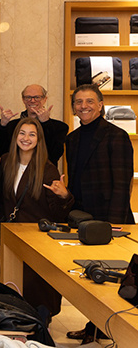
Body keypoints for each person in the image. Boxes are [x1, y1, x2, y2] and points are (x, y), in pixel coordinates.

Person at [64, 84, 134, 344]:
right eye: (79, 102)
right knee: (88, 275)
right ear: (73, 107)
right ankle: (93, 325)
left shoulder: (116, 136)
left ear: (101, 104)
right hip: (82, 217)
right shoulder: (72, 139)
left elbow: (122, 181)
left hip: (109, 217)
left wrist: (114, 223)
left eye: (90, 101)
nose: (84, 106)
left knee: (109, 276)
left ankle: (110, 327)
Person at [0, 117, 74, 321]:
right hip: (11, 234)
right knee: (13, 283)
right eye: (22, 133)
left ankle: (40, 322)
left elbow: (58, 214)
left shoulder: (47, 169)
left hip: (36, 237)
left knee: (36, 286)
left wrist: (64, 195)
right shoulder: (6, 161)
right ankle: (16, 322)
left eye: (32, 134)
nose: (26, 138)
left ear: (39, 140)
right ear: (15, 137)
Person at [0, 84, 68, 165]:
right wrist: (3, 125)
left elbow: (54, 154)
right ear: (23, 100)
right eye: (28, 97)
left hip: (45, 175)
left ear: (45, 99)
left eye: (37, 97)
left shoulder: (59, 127)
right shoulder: (12, 126)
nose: (32, 101)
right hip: (14, 173)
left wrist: (45, 123)